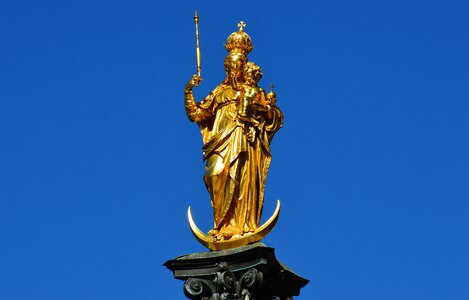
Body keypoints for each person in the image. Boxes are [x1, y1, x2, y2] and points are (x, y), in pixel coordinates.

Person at [184, 52, 283, 241]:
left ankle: (237, 225)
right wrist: (188, 91)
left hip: (243, 139)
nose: (234, 70)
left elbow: (275, 116)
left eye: (238, 66)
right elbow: (196, 114)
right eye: (230, 66)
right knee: (213, 175)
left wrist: (264, 111)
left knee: (239, 178)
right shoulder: (219, 93)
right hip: (220, 140)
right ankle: (221, 225)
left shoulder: (253, 91)